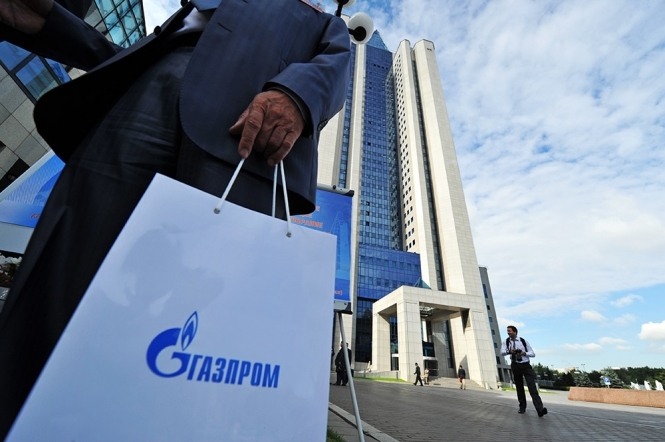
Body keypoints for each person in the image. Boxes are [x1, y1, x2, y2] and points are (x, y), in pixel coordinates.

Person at [0, 0, 351, 437]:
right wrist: (51, 22)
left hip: (243, 137)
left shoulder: (320, 20)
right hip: (146, 96)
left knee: (204, 319)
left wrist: (295, 94)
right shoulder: (199, 10)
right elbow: (130, 56)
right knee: (72, 265)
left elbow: (336, 65)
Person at [500, 325, 548, 417]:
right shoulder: (506, 341)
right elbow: (502, 352)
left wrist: (524, 353)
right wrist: (510, 351)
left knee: (532, 387)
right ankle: (522, 407)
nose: (508, 332)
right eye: (507, 331)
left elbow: (532, 354)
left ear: (515, 332)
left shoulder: (523, 341)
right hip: (515, 365)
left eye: (509, 331)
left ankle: (540, 410)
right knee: (519, 387)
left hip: (526, 365)